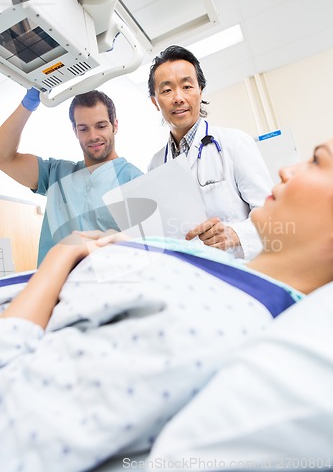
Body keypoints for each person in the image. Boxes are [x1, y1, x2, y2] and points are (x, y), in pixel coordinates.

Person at [1, 138, 333, 471]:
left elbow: (17, 427)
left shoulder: (203, 323)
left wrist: (61, 256)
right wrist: (133, 248)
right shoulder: (226, 277)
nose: (286, 169)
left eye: (317, 161)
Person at [147, 45, 273, 260]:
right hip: (193, 276)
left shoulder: (234, 143)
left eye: (187, 86)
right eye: (167, 90)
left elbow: (272, 215)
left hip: (239, 269)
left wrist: (236, 234)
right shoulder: (156, 164)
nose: (178, 97)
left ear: (200, 91)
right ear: (155, 102)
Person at [0, 88, 143, 265]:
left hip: (106, 288)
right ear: (75, 131)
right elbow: (3, 156)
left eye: (101, 126)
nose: (93, 136)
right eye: (83, 129)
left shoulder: (134, 180)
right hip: (50, 287)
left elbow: (145, 251)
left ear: (115, 125)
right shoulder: (55, 173)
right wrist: (29, 103)